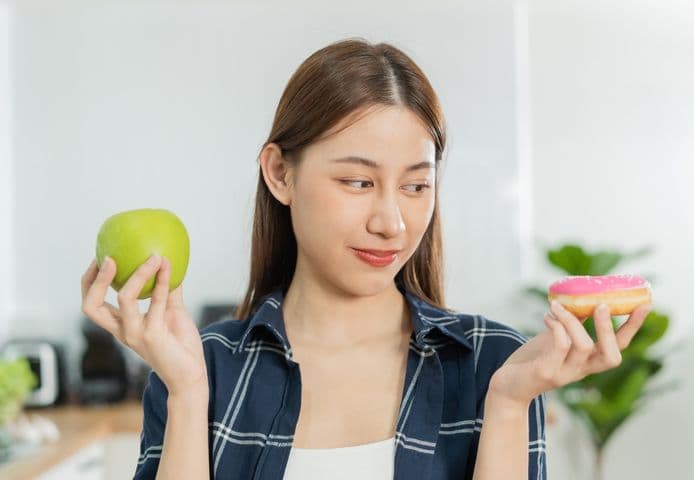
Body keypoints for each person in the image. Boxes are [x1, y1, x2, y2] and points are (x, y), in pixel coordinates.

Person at [80, 37, 652, 480]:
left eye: (415, 186)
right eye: (357, 182)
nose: (392, 223)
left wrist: (506, 404)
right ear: (280, 173)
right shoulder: (206, 371)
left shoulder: (494, 365)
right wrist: (185, 392)